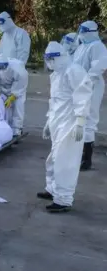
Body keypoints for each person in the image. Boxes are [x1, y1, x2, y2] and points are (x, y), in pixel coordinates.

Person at [38, 42, 93, 213]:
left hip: (70, 123)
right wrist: (49, 121)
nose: (49, 62)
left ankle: (63, 199)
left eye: (51, 59)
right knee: (54, 158)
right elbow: (54, 100)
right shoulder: (56, 74)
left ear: (60, 57)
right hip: (58, 121)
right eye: (47, 59)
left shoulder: (74, 71)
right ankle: (53, 189)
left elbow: (83, 96)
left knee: (66, 161)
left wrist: (80, 122)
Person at [72, 21, 107, 170]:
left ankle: (86, 159)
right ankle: (78, 154)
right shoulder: (82, 46)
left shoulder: (97, 47)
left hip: (91, 87)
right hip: (79, 86)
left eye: (84, 30)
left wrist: (86, 82)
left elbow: (98, 67)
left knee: (89, 121)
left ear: (92, 32)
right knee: (78, 119)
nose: (81, 32)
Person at [0, 54, 28, 136]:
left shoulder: (17, 69)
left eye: (2, 67)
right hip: (1, 86)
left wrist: (13, 96)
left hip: (16, 87)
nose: (0, 69)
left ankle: (16, 128)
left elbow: (21, 83)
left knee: (18, 106)